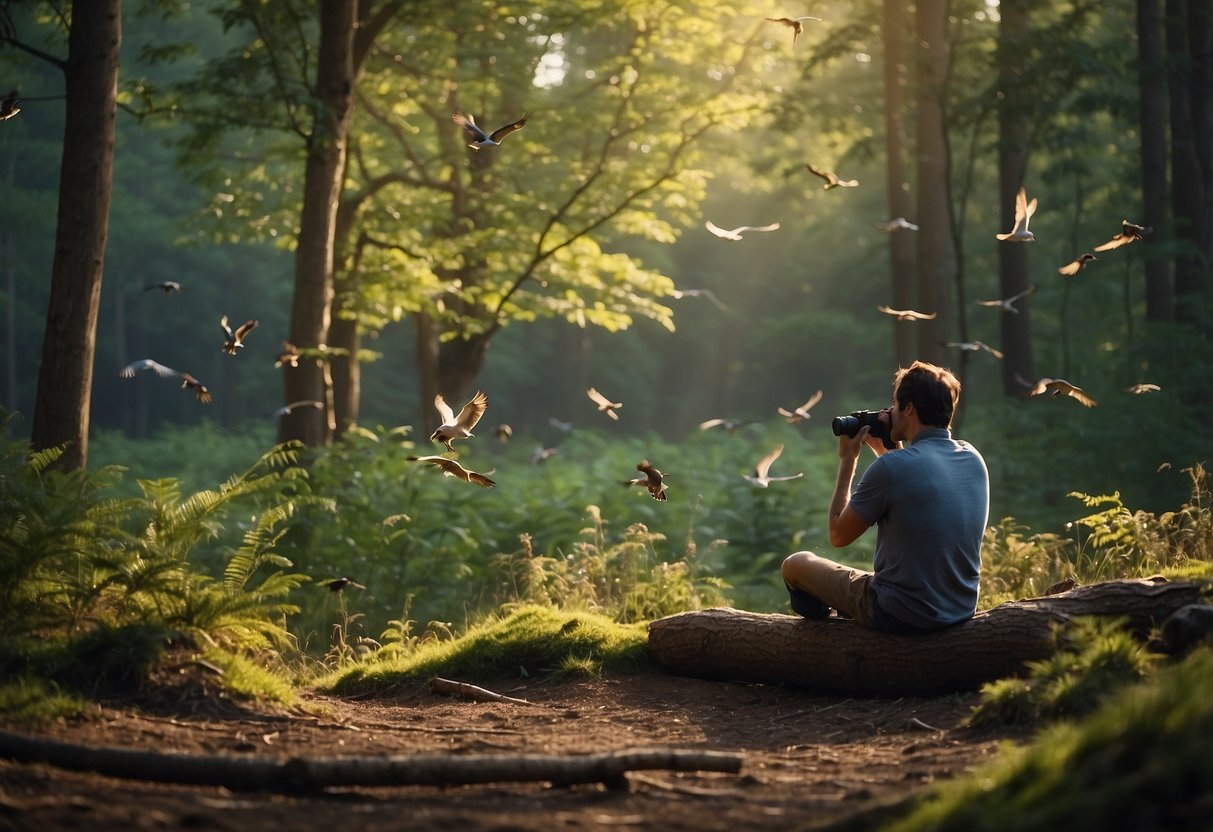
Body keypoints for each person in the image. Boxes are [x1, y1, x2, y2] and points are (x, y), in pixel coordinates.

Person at [781, 360, 989, 634]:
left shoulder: (893, 468)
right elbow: (916, 484)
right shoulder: (973, 457)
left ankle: (825, 635)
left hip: (901, 614)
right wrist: (887, 452)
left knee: (795, 565)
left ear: (909, 408)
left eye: (895, 404)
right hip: (960, 609)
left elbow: (837, 535)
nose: (890, 410)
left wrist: (847, 460)